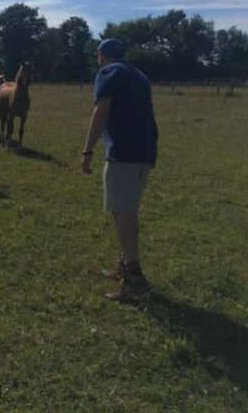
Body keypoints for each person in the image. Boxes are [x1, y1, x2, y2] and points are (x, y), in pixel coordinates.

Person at [81, 38, 159, 302]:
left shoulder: (108, 73)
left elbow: (101, 111)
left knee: (122, 212)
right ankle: (125, 264)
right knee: (128, 209)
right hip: (145, 151)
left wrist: (87, 150)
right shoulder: (139, 75)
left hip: (123, 152)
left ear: (101, 55)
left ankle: (133, 278)